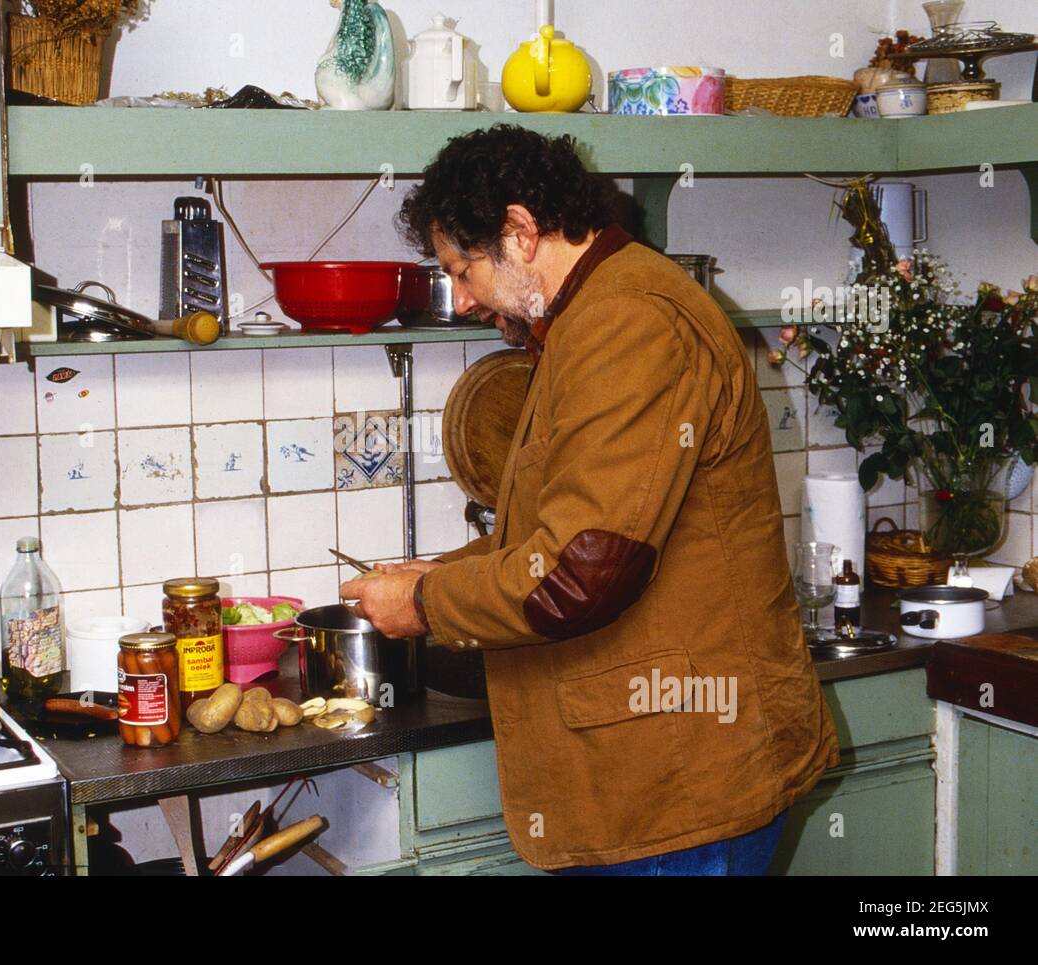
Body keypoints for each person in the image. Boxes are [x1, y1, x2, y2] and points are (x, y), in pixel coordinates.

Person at [339, 125, 839, 875]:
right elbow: (567, 525)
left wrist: (429, 603)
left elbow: (578, 572)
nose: (468, 299)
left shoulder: (629, 322)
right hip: (653, 783)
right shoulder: (588, 317)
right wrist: (434, 571)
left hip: (678, 792)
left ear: (520, 229)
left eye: (463, 270)